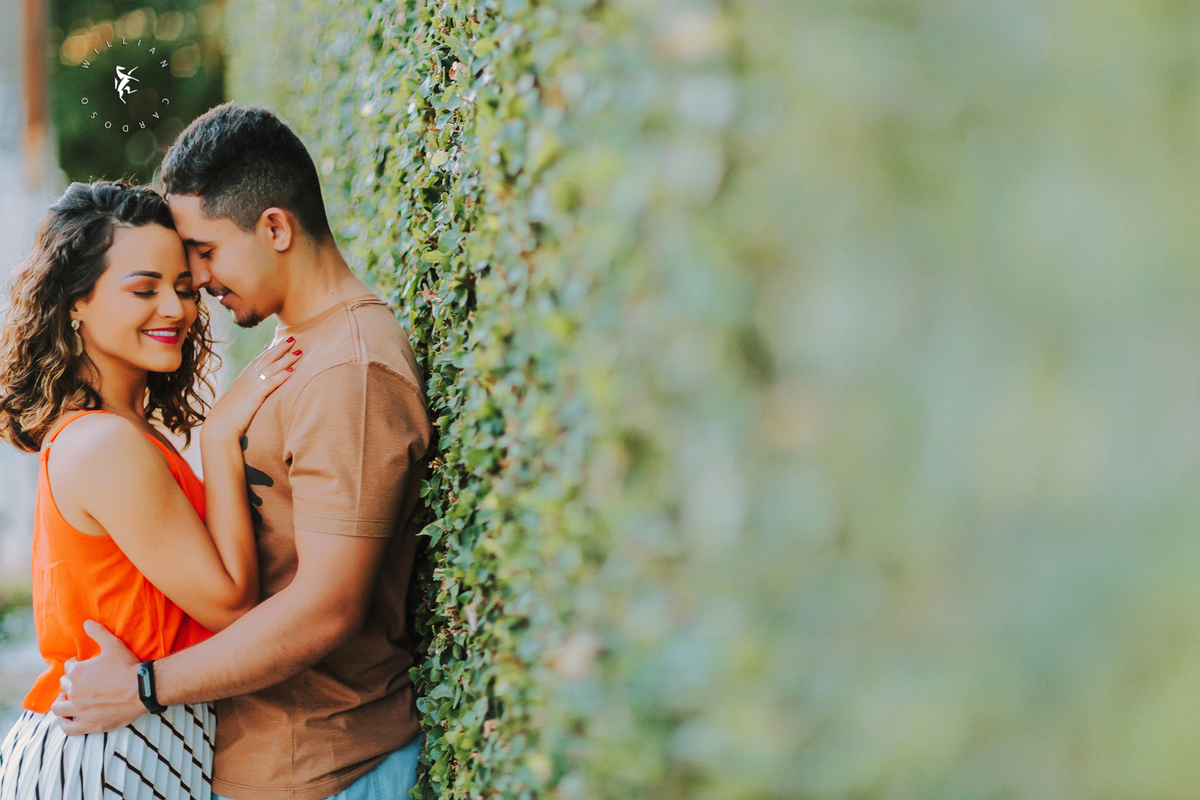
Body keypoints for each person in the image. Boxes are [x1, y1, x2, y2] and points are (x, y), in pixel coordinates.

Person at [54, 103, 434, 800]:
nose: (194, 281)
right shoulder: (300, 350)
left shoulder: (348, 372)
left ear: (276, 228)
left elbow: (328, 608)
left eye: (203, 252)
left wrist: (143, 687)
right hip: (274, 767)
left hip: (326, 771)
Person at [0, 179, 302, 798]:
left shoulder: (124, 430)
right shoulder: (104, 443)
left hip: (139, 739)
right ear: (74, 303)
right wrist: (221, 439)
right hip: (105, 756)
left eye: (184, 290)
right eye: (145, 289)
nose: (176, 309)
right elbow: (231, 605)